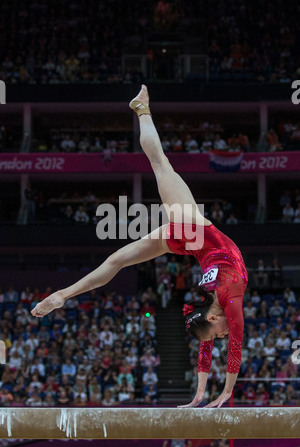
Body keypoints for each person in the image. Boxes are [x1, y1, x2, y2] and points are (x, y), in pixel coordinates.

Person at [31, 85, 248, 408]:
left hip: (191, 234)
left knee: (158, 168)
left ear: (213, 317)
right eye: (217, 334)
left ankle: (142, 109)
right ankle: (63, 294)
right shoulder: (225, 302)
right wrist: (213, 393)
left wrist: (213, 394)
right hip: (191, 237)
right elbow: (227, 347)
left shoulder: (220, 306)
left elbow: (222, 345)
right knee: (122, 248)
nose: (221, 336)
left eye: (216, 333)